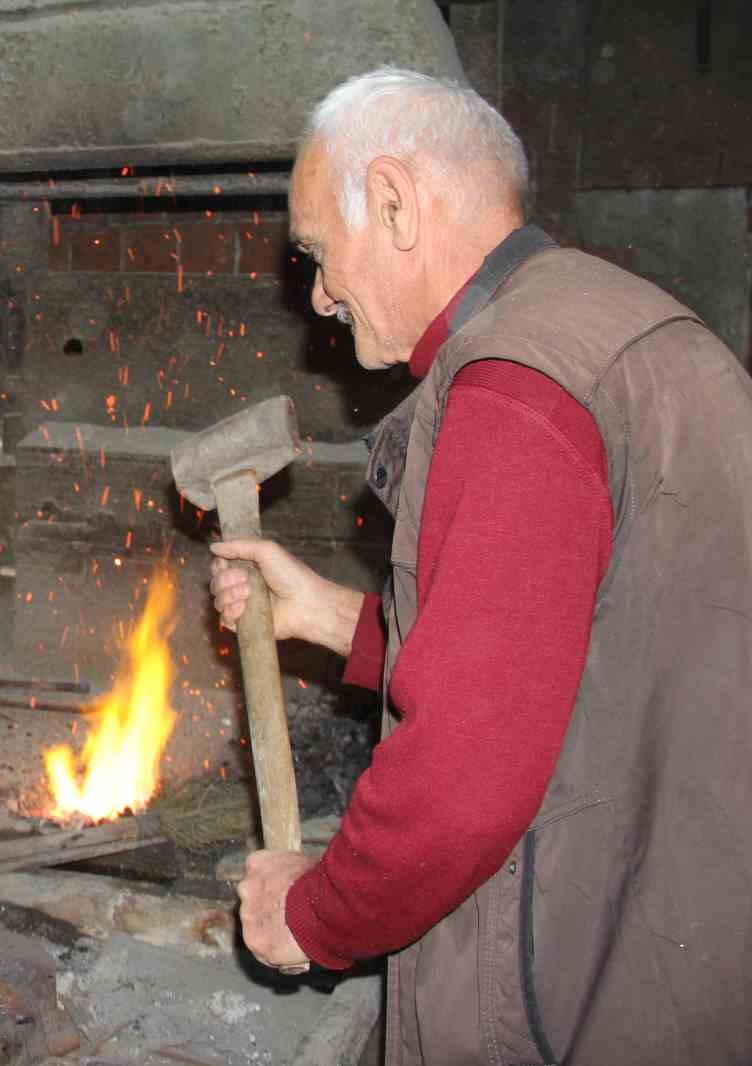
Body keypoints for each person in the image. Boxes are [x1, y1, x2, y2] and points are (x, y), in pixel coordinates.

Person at [209, 67, 752, 1065]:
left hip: (583, 977)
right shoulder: (615, 320)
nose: (319, 296)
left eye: (320, 256)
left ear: (394, 203)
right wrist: (333, 616)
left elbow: (464, 779)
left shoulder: (510, 386)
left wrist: (314, 910)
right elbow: (571, 654)